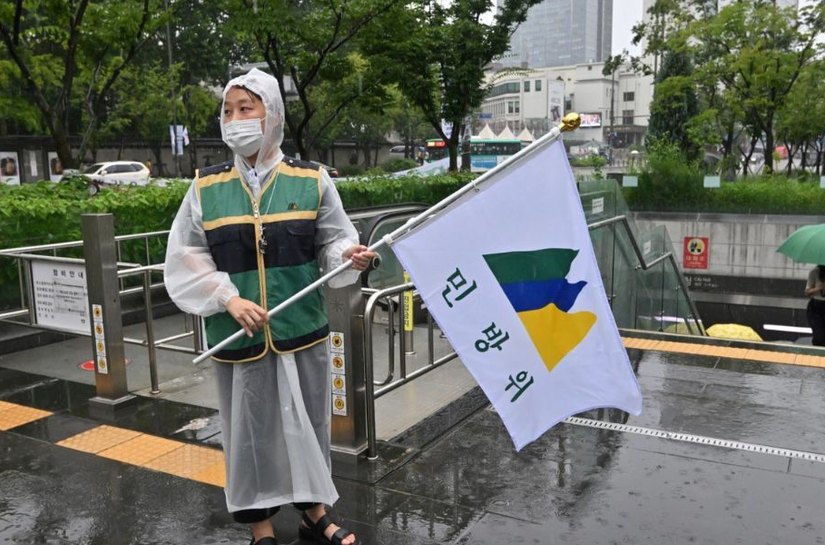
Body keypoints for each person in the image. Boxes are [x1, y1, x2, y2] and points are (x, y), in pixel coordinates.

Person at [164, 68, 373, 545]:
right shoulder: (205, 187)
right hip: (240, 335)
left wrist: (348, 255)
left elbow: (333, 242)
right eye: (228, 110)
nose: (236, 118)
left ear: (272, 114)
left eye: (246, 108)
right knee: (249, 433)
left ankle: (313, 512)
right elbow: (185, 257)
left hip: (300, 327)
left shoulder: (312, 180)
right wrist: (228, 298)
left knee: (309, 425)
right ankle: (259, 526)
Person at [805, 265, 825, 346]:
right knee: (819, 336)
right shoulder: (814, 272)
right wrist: (819, 288)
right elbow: (807, 292)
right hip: (816, 306)